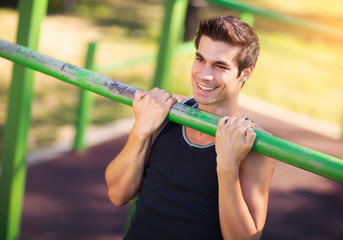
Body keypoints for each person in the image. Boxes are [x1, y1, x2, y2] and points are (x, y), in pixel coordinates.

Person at [105, 15, 276, 240]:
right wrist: (140, 131)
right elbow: (117, 195)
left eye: (220, 66)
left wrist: (228, 166)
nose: (204, 74)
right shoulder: (167, 111)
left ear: (245, 73)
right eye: (200, 59)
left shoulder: (255, 144)